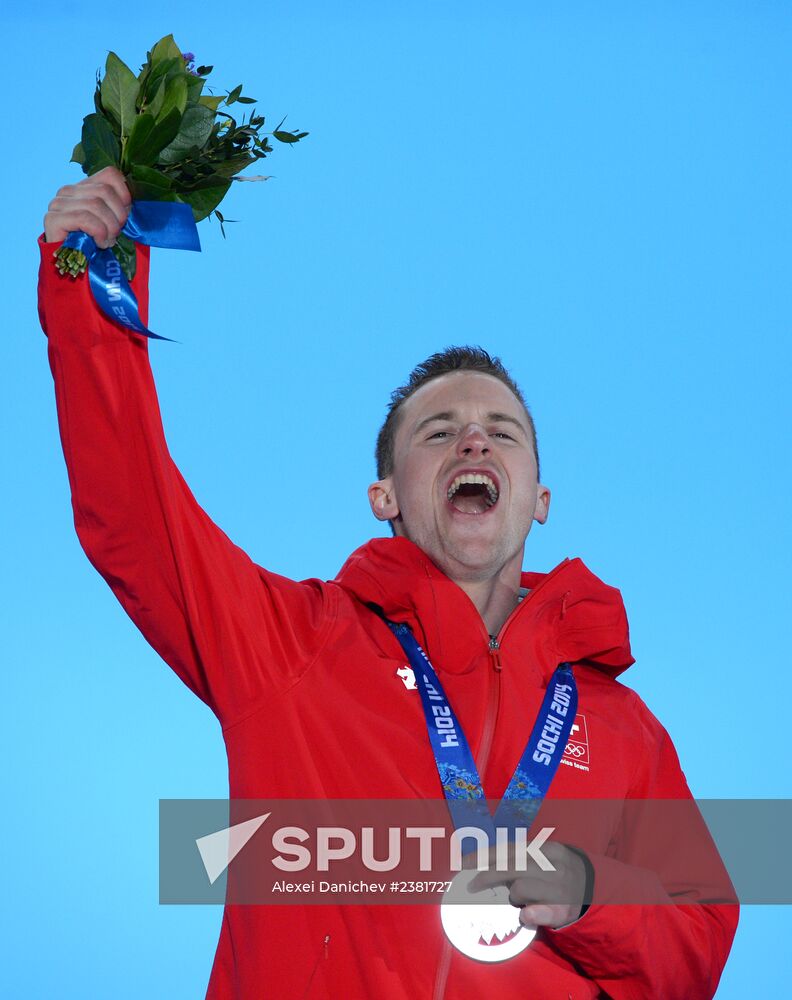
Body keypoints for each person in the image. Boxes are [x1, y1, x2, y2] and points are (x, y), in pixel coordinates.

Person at [39, 166, 737, 999]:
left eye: (502, 433)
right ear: (386, 496)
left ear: (540, 498)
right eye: (439, 432)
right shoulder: (292, 645)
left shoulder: (626, 729)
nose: (474, 444)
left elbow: (698, 944)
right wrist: (93, 293)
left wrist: (591, 894)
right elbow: (131, 511)